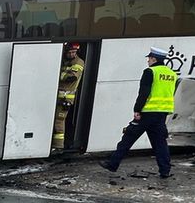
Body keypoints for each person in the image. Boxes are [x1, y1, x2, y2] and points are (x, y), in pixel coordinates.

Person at [101, 47, 177, 178]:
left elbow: (144, 93)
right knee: (160, 143)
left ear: (154, 59)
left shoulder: (150, 72)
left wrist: (137, 109)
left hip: (147, 112)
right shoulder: (172, 74)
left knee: (128, 138)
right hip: (162, 114)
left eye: (149, 58)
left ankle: (112, 164)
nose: (148, 61)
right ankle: (165, 170)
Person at [52, 42, 86, 151]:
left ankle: (58, 146)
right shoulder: (65, 61)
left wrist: (57, 74)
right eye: (70, 52)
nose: (72, 54)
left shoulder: (79, 62)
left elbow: (71, 77)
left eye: (74, 52)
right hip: (57, 96)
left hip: (65, 99)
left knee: (59, 121)